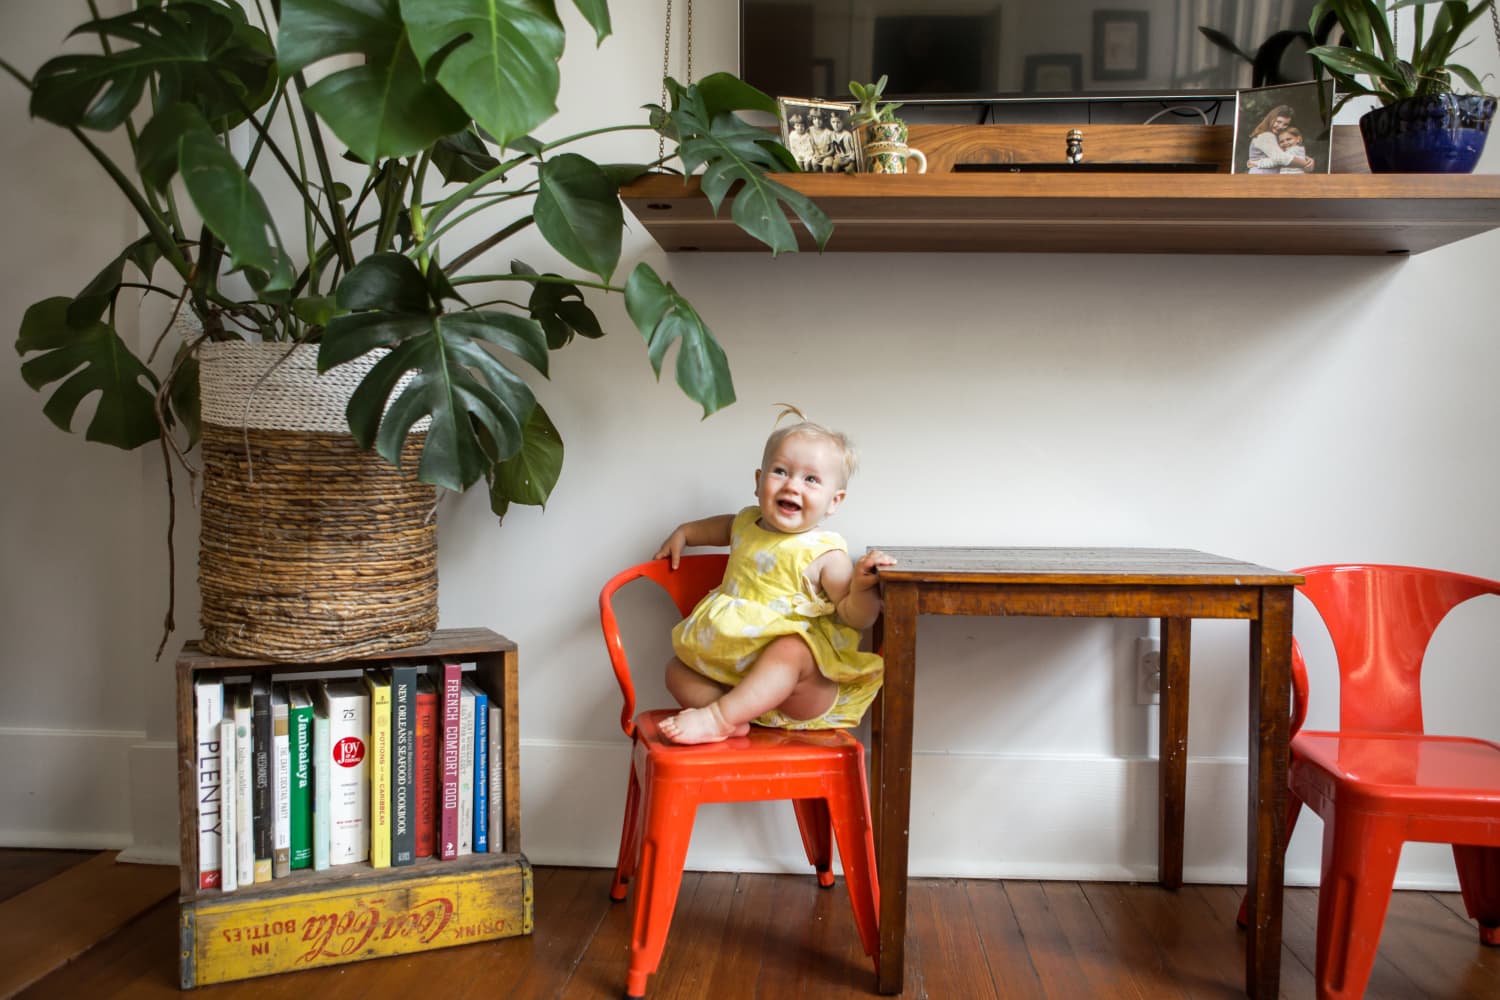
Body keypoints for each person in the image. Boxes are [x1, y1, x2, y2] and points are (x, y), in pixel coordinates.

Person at [653, 407, 895, 745]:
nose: (793, 485)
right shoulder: (744, 524)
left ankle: (717, 717)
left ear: (833, 501)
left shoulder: (825, 552)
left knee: (792, 650)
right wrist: (684, 533)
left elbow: (857, 617)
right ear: (758, 482)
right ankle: (729, 716)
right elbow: (716, 527)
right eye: (780, 471)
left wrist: (863, 587)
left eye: (811, 479)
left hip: (800, 692)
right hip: (737, 682)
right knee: (675, 670)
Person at [1246, 104, 1314, 173]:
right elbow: (1281, 158)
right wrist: (1305, 164)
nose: (1281, 126)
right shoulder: (1264, 136)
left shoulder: (1277, 137)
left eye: (1285, 124)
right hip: (1261, 177)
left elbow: (1287, 153)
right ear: (1270, 119)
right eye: (1278, 122)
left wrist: (1306, 158)